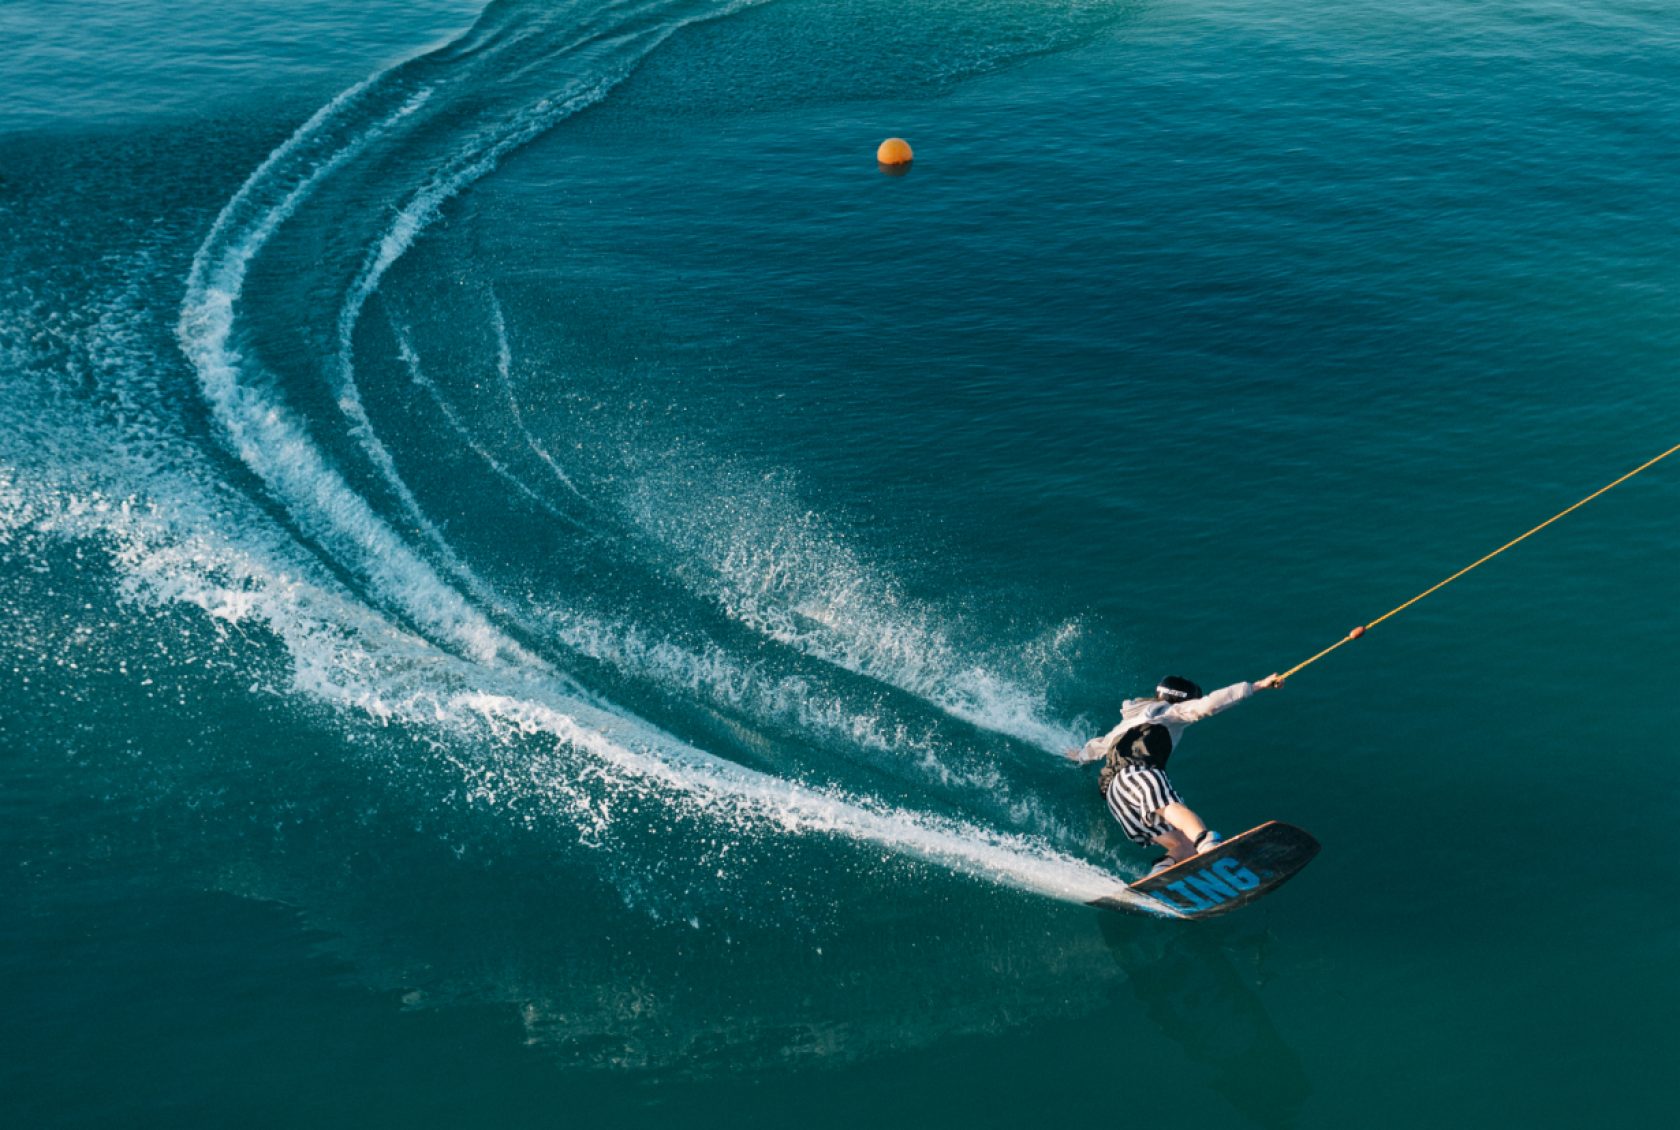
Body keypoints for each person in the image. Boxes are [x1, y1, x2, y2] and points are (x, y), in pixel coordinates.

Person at [1068, 673, 1283, 874]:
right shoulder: (1168, 712)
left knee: (1182, 844)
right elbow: (1210, 704)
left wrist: (1079, 756)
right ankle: (1208, 845)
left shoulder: (1127, 723)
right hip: (1138, 772)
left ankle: (1160, 873)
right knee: (1170, 807)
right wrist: (1256, 686)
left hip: (1115, 796)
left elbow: (1096, 748)